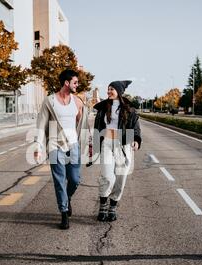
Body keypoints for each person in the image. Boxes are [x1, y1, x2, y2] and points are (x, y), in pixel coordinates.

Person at [33, 70, 91, 230]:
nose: (77, 85)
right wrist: (37, 145)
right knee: (59, 181)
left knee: (75, 179)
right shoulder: (49, 101)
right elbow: (41, 124)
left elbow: (82, 124)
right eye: (75, 82)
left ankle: (67, 198)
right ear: (66, 83)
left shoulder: (77, 102)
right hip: (54, 146)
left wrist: (88, 143)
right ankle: (64, 213)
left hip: (73, 146)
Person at [92, 81, 142, 222]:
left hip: (123, 145)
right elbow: (98, 127)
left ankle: (112, 207)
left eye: (112, 89)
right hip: (106, 144)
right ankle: (103, 206)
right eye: (108, 89)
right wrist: (95, 145)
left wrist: (136, 140)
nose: (108, 91)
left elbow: (135, 127)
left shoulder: (129, 109)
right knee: (107, 177)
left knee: (121, 178)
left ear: (119, 92)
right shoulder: (103, 107)